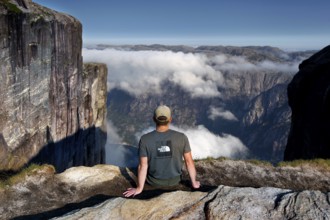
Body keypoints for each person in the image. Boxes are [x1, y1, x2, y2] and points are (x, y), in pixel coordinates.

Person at [123, 105, 200, 198]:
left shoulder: (145, 139)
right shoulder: (181, 137)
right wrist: (194, 183)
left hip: (153, 182)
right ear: (170, 119)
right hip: (175, 181)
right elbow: (189, 162)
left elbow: (143, 165)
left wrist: (139, 188)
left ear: (154, 119)